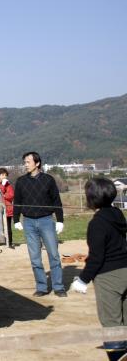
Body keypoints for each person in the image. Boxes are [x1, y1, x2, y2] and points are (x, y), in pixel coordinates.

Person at [70, 178, 127, 361]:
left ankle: (118, 356)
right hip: (125, 269)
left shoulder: (97, 223)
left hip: (109, 278)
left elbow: (97, 257)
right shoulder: (118, 214)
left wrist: (83, 279)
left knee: (112, 325)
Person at [13, 151, 67, 297]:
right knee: (35, 258)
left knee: (54, 255)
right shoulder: (21, 181)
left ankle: (58, 287)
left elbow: (56, 201)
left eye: (28, 162)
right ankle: (42, 287)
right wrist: (16, 219)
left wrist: (60, 220)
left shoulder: (49, 180)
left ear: (37, 163)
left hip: (46, 221)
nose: (25, 165)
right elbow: (17, 202)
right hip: (29, 222)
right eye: (25, 162)